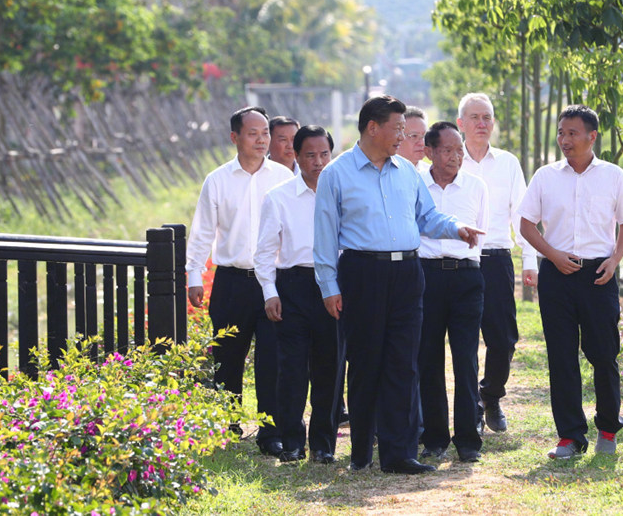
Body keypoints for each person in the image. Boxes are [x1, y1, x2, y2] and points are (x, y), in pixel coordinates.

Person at [313, 95, 484, 475]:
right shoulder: (337, 174)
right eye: (398, 129)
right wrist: (329, 286)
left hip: (408, 272)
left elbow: (428, 216)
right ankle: (361, 453)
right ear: (373, 128)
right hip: (362, 273)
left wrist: (456, 227)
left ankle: (400, 453)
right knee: (365, 363)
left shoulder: (407, 172)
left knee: (404, 364)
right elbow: (324, 236)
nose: (404, 137)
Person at [517, 105, 623, 458]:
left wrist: (614, 260)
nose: (564, 140)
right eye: (561, 133)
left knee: (604, 354)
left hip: (599, 275)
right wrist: (552, 255)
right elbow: (526, 224)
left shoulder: (613, 176)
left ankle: (608, 430)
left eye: (572, 133)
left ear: (592, 136)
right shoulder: (545, 176)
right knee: (561, 356)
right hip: (556, 274)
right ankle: (570, 437)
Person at [185, 106, 293, 457]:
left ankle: (271, 432)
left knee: (272, 360)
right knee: (227, 357)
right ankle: (227, 425)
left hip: (273, 282)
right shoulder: (217, 180)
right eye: (253, 133)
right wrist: (194, 275)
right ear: (235, 137)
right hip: (232, 281)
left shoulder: (283, 178)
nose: (262, 140)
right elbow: (203, 231)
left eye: (265, 133)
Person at [254, 125, 342, 464]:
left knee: (330, 368)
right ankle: (292, 441)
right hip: (293, 286)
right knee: (291, 369)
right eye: (310, 155)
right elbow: (264, 252)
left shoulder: (343, 194)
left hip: (333, 286)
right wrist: (270, 292)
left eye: (324, 154)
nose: (318, 162)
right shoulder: (279, 197)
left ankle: (323, 444)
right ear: (296, 155)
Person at [456, 92, 537, 433]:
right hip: (458, 260)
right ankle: (470, 409)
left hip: (497, 258)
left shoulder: (508, 163)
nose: (482, 123)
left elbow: (522, 213)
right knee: (463, 341)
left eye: (487, 117)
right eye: (474, 117)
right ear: (460, 123)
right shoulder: (448, 160)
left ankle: (490, 395)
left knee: (503, 339)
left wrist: (530, 259)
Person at [417, 121, 489, 463]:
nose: (455, 157)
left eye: (459, 150)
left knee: (466, 359)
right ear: (429, 151)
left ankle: (468, 439)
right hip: (426, 276)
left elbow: (482, 233)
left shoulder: (476, 186)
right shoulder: (416, 184)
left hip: (466, 278)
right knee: (428, 358)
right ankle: (434, 437)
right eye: (447, 150)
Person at [398, 106, 429, 171]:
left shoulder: (432, 174)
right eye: (414, 136)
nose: (422, 143)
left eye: (424, 136)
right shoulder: (382, 173)